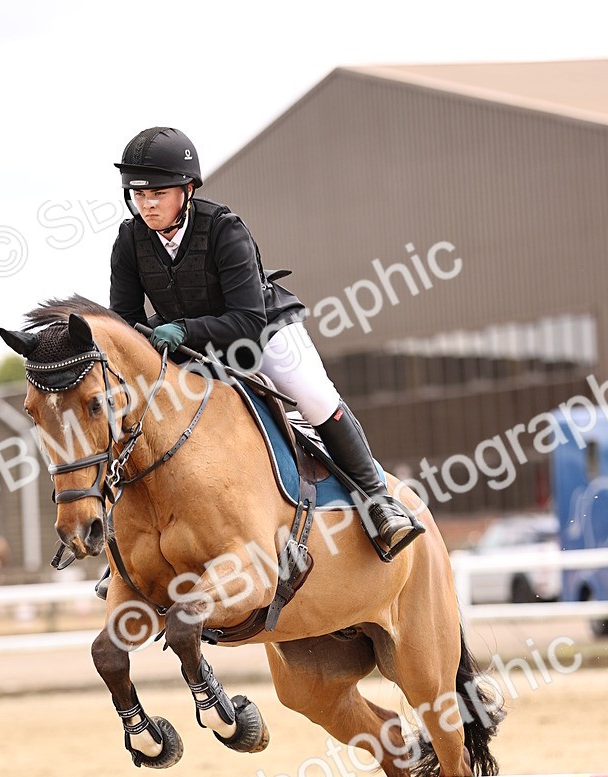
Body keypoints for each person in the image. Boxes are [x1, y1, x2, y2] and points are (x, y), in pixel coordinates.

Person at [109, 126, 424, 555]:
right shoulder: (129, 241)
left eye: (157, 194)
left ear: (186, 189)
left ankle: (377, 502)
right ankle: (133, 542)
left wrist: (183, 329)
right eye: (138, 195)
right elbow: (125, 321)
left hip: (261, 332)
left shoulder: (224, 229)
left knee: (312, 397)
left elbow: (247, 320)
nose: (146, 205)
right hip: (190, 345)